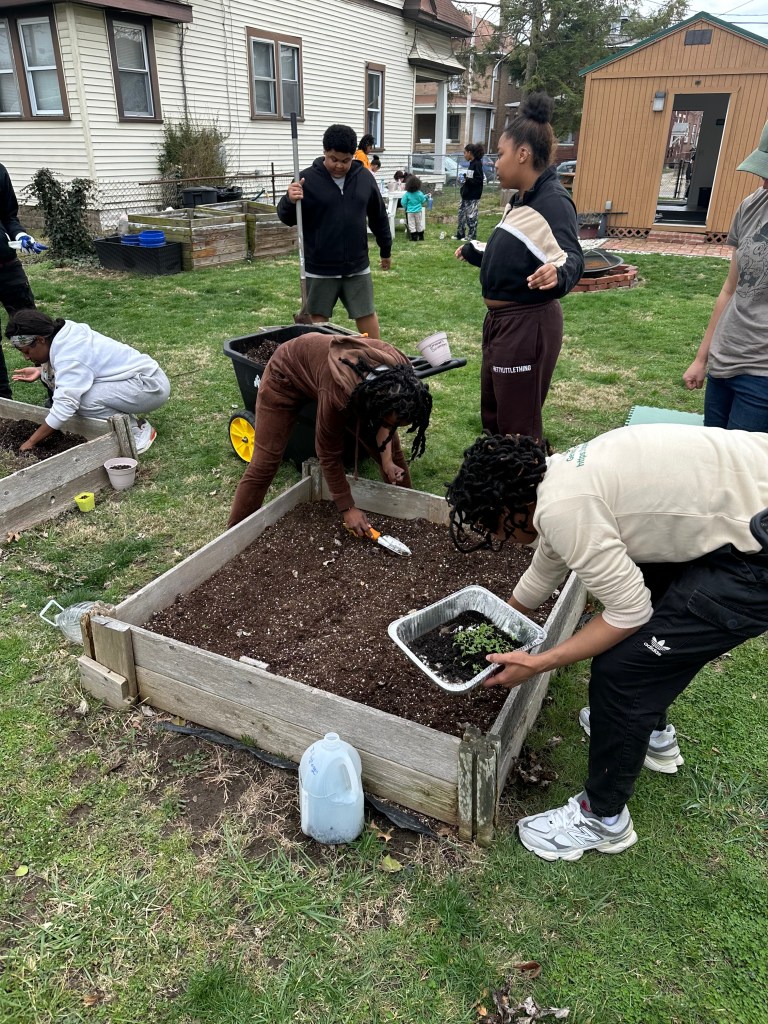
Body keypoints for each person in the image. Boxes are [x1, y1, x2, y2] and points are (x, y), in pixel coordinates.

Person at [445, 425, 768, 861]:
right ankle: (649, 736)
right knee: (655, 607)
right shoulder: (557, 480)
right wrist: (498, 622)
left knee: (623, 671)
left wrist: (539, 662)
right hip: (750, 492)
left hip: (756, 555)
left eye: (494, 527)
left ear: (509, 510)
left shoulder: (564, 510)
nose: (499, 538)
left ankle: (603, 818)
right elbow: (547, 567)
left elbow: (630, 613)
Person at [455, 93, 583, 442]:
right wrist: (477, 253)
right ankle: (498, 485)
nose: (495, 163)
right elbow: (519, 251)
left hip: (528, 326)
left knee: (518, 427)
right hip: (502, 325)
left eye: (501, 154)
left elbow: (572, 259)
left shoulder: (553, 202)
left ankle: (525, 492)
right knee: (496, 416)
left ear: (523, 154)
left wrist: (558, 274)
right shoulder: (521, 200)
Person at [227, 332, 432, 530]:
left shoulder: (401, 376)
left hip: (328, 376)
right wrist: (347, 507)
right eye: (387, 419)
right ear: (375, 403)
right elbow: (328, 453)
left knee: (393, 454)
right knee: (265, 463)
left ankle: (410, 517)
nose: (389, 424)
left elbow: (386, 424)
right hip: (285, 377)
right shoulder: (340, 396)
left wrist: (388, 462)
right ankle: (233, 537)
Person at [682, 120, 768, 431]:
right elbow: (730, 289)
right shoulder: (751, 205)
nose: (764, 183)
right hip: (725, 359)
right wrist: (702, 359)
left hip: (762, 375)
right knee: (715, 457)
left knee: (744, 472)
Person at [276, 124, 392, 339]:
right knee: (317, 324)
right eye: (333, 159)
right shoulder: (306, 180)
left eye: (345, 160)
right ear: (324, 152)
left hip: (356, 265)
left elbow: (378, 216)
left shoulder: (364, 178)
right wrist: (289, 200)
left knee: (366, 314)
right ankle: (319, 365)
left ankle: (378, 358)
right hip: (319, 266)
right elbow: (286, 217)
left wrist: (386, 249)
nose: (339, 165)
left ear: (353, 156)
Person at [6, 309, 170, 454]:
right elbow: (82, 369)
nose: (26, 357)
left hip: (150, 387)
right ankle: (128, 422)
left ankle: (136, 431)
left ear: (41, 340)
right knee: (80, 397)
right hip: (139, 380)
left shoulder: (71, 354)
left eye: (27, 351)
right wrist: (41, 370)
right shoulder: (64, 334)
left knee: (82, 401)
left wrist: (30, 442)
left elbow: (65, 405)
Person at [1, 162, 43, 400]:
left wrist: (21, 235)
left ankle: (56, 389)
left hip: (7, 268)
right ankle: (3, 403)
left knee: (33, 329)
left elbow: (8, 216)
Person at [454, 142, 485, 242]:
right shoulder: (471, 164)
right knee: (461, 215)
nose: (464, 155)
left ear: (469, 152)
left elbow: (479, 180)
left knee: (471, 217)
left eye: (464, 153)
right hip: (465, 195)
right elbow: (470, 178)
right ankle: (460, 234)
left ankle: (471, 236)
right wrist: (463, 178)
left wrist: (467, 179)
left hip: (473, 196)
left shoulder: (477, 164)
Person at [401, 175, 428, 241]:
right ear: (418, 185)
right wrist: (426, 198)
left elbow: (403, 202)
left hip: (410, 211)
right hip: (418, 211)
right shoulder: (419, 193)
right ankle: (421, 237)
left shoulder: (407, 194)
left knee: (411, 224)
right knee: (419, 223)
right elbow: (423, 200)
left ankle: (414, 237)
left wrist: (406, 207)